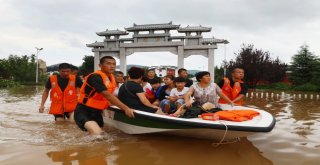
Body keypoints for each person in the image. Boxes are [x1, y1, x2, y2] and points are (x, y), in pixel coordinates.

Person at [74, 56, 135, 135]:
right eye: (108, 64)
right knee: (98, 134)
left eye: (114, 64)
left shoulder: (111, 78)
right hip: (84, 110)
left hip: (97, 112)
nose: (112, 66)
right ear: (100, 66)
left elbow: (110, 98)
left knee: (100, 135)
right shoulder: (95, 77)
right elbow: (107, 95)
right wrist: (126, 108)